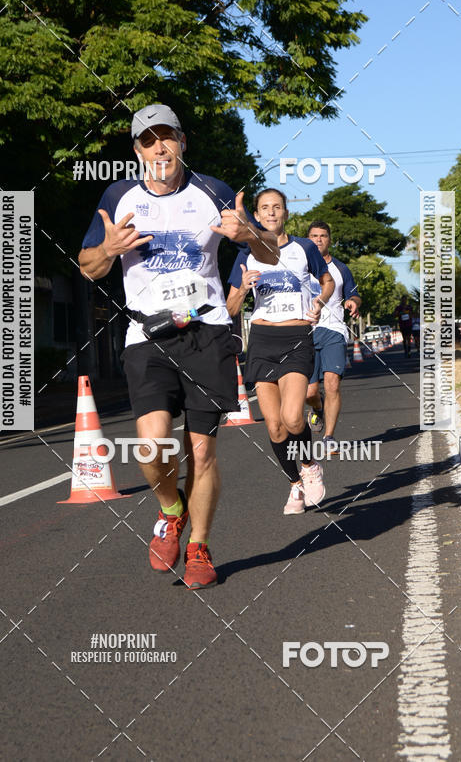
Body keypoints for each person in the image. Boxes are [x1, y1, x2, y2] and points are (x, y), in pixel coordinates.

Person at [78, 103, 278, 589]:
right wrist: (108, 250)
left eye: (167, 137)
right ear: (137, 151)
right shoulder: (119, 195)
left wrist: (248, 232)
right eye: (148, 140)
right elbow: (87, 266)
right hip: (147, 334)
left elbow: (269, 252)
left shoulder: (215, 192)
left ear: (182, 141)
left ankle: (199, 547)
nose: (159, 147)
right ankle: (171, 510)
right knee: (152, 445)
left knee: (202, 453)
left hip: (207, 333)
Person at [226, 189, 334, 514]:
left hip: (297, 337)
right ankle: (294, 486)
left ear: (286, 213)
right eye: (264, 208)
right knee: (274, 426)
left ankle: (310, 464)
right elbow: (229, 309)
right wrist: (243, 288)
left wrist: (320, 301)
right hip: (261, 339)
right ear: (256, 216)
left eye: (277, 207)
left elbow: (327, 281)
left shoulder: (304, 248)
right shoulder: (246, 254)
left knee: (292, 417)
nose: (271, 213)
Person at [304, 221, 361, 453]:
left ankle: (329, 437)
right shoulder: (299, 266)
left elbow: (355, 294)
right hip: (305, 332)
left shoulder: (340, 269)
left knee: (332, 384)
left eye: (323, 236)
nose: (318, 240)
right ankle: (317, 409)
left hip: (335, 331)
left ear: (330, 240)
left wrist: (353, 302)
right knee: (310, 392)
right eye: (314, 236)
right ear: (308, 239)